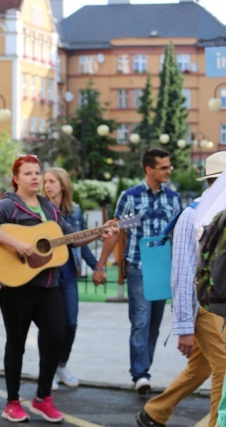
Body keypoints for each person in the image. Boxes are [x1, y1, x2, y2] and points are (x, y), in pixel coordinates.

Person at [0, 155, 115, 423]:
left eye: (37, 173)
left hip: (48, 284)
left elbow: (71, 238)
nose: (35, 178)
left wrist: (99, 232)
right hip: (16, 286)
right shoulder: (9, 205)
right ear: (16, 178)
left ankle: (42, 397)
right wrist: (17, 244)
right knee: (16, 344)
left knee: (56, 335)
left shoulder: (49, 209)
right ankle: (12, 402)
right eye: (28, 173)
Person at [136, 152, 226, 427]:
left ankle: (155, 412)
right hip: (203, 308)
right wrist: (184, 326)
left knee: (199, 367)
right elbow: (183, 273)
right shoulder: (193, 215)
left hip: (215, 306)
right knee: (223, 369)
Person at [96, 148, 182, 394]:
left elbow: (179, 235)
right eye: (164, 167)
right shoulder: (130, 197)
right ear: (149, 169)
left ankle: (144, 368)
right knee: (140, 322)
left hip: (162, 269)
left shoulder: (173, 198)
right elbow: (114, 233)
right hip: (138, 268)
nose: (168, 171)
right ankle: (140, 374)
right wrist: (100, 265)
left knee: (154, 324)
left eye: (169, 167)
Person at [40, 167, 105, 390]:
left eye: (52, 181)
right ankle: (45, 372)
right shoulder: (38, 209)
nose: (47, 185)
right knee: (48, 325)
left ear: (63, 185)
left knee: (71, 323)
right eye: (45, 181)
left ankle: (60, 365)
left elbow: (80, 242)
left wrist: (96, 266)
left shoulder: (74, 212)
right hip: (46, 273)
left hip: (68, 273)